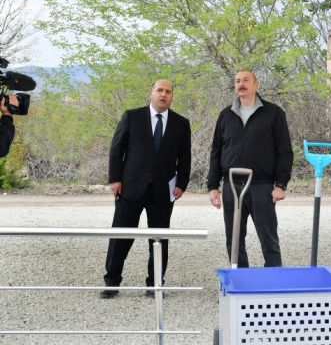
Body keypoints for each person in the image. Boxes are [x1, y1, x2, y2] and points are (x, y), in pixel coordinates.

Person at [101, 80, 191, 299]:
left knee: (159, 240)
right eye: (159, 91)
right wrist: (115, 179)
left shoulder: (181, 123)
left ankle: (155, 285)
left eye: (168, 92)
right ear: (150, 93)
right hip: (130, 187)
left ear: (172, 97)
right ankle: (111, 282)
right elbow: (116, 150)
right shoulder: (132, 116)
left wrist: (181, 184)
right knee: (120, 236)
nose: (163, 95)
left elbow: (185, 157)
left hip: (163, 190)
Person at [208, 70, 293, 268]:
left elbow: (285, 151)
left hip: (261, 186)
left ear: (256, 84)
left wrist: (280, 184)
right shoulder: (226, 115)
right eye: (238, 81)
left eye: (246, 80)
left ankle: (273, 281)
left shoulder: (273, 113)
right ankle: (241, 280)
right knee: (234, 239)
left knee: (268, 238)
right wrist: (213, 186)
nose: (241, 84)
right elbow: (216, 152)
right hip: (231, 185)